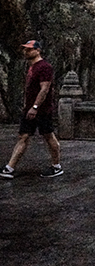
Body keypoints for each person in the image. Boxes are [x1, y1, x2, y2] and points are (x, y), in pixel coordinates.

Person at [0, 40, 62, 179]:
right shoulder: (31, 67)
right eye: (25, 49)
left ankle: (56, 166)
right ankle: (9, 168)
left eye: (29, 49)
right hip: (29, 109)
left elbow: (44, 89)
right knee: (23, 136)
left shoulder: (44, 67)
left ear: (37, 50)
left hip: (42, 110)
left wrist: (35, 107)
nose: (25, 52)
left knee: (49, 136)